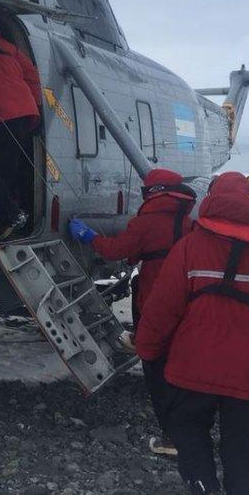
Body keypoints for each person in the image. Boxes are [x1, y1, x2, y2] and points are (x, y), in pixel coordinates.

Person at [136, 172, 249, 494]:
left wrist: (147, 349)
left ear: (212, 200)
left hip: (192, 368)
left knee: (188, 432)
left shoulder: (189, 248)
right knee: (245, 452)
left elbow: (161, 308)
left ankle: (203, 487)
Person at [68, 168, 196, 456]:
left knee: (157, 367)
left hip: (155, 299)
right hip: (188, 302)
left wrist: (88, 236)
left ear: (153, 192)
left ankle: (172, 439)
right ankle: (191, 431)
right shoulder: (189, 222)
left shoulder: (146, 222)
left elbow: (116, 251)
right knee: (183, 364)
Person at [0, 22, 42, 239]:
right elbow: (33, 77)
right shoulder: (10, 47)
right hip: (24, 112)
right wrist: (35, 108)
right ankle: (14, 210)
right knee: (12, 169)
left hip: (0, 113)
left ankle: (11, 214)